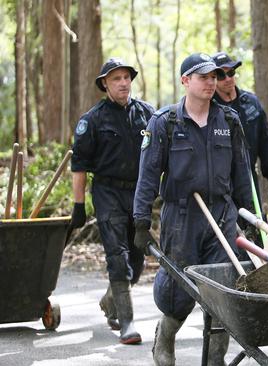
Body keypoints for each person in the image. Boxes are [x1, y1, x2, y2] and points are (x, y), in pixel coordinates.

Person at [133, 53, 252, 366]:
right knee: (179, 288)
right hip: (182, 217)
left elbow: (242, 173)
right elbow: (147, 175)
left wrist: (249, 217)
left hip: (223, 217)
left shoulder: (229, 120)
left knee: (222, 291)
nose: (211, 82)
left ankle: (215, 359)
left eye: (214, 77)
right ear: (185, 80)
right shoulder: (165, 123)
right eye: (203, 77)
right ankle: (167, 334)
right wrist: (141, 221)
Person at [70, 57, 154, 344]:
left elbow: (160, 155)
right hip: (107, 193)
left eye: (126, 78)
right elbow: (79, 165)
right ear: (105, 83)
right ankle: (127, 322)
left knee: (137, 258)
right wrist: (78, 206)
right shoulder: (92, 120)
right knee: (117, 257)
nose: (123, 83)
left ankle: (111, 300)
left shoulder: (147, 114)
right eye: (116, 79)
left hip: (138, 193)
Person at [211, 51, 268, 204]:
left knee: (256, 223)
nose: (227, 79)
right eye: (221, 75)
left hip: (249, 181)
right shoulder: (208, 109)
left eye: (231, 73)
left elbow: (266, 144)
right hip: (219, 185)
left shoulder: (251, 103)